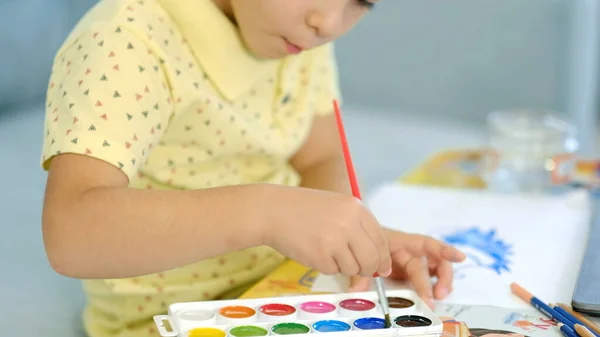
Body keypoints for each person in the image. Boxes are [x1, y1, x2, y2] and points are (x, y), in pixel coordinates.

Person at [40, 0, 466, 336]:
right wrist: (265, 213)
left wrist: (351, 238)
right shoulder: (125, 38)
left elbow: (320, 157)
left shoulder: (298, 32)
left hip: (289, 288)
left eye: (363, 1)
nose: (329, 22)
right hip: (169, 319)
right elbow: (70, 235)